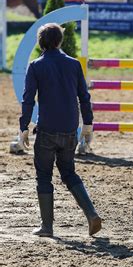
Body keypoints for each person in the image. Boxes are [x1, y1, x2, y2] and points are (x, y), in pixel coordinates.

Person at [19, 23, 101, 237]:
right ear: (59, 41)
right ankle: (91, 215)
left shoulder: (36, 66)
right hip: (69, 130)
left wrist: (23, 127)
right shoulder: (74, 65)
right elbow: (84, 97)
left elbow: (28, 99)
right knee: (69, 172)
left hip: (47, 130)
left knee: (44, 176)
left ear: (41, 42)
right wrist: (88, 124)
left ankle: (47, 227)